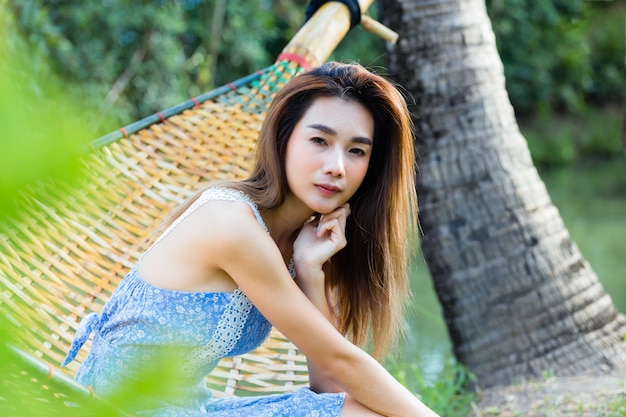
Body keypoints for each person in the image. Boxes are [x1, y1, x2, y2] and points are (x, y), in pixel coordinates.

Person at [63, 61, 440, 417]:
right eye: (320, 141)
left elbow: (331, 385)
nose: (336, 167)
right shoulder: (232, 223)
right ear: (284, 138)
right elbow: (340, 363)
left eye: (356, 151)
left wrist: (310, 270)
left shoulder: (296, 242)